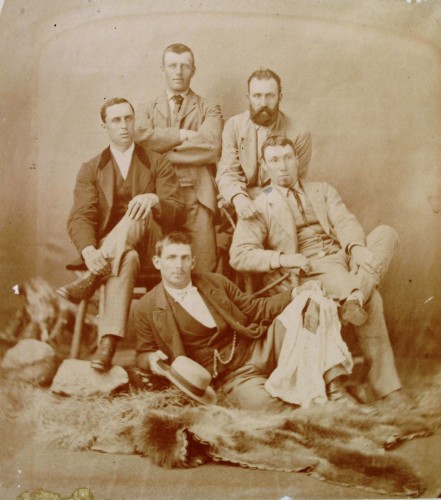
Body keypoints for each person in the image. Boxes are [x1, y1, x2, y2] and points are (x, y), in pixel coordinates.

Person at [229, 135, 406, 405]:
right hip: (305, 272)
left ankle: (355, 296)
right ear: (264, 167)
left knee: (386, 234)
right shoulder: (260, 202)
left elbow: (345, 222)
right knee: (375, 299)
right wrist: (283, 260)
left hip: (342, 260)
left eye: (288, 158)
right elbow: (239, 255)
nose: (283, 166)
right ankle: (388, 388)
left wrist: (356, 248)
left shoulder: (322, 189)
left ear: (297, 160)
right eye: (274, 160)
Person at [134, 232, 355, 412]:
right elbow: (143, 353)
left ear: (193, 261)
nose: (178, 265)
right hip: (231, 377)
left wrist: (295, 292)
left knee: (311, 302)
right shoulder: (146, 306)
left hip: (258, 347)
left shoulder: (216, 282)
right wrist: (152, 359)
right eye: (171, 258)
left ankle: (334, 387)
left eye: (184, 258)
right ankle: (318, 408)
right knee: (270, 409)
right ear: (157, 262)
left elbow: (254, 309)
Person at [57, 97, 185, 372]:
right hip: (115, 250)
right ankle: (108, 343)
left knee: (139, 210)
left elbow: (177, 211)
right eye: (116, 120)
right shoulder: (91, 168)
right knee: (126, 259)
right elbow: (81, 216)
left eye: (128, 118)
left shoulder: (157, 162)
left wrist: (154, 200)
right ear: (104, 126)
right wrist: (89, 251)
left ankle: (94, 277)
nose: (124, 125)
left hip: (152, 245)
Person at [135, 43, 223, 272]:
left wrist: (161, 151)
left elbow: (211, 147)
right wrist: (181, 135)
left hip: (198, 195)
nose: (178, 71)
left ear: (194, 70)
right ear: (162, 69)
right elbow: (141, 140)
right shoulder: (146, 109)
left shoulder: (208, 108)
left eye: (185, 66)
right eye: (172, 65)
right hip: (157, 193)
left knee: (204, 264)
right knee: (160, 264)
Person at [216, 68, 311, 220]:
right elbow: (227, 174)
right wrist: (239, 199)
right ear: (248, 97)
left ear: (280, 97)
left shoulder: (299, 133)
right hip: (240, 205)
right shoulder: (234, 126)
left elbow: (292, 184)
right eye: (257, 96)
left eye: (270, 96)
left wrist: (254, 194)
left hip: (282, 208)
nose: (263, 103)